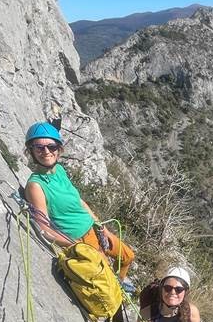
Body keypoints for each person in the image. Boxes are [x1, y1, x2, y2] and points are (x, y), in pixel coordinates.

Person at [24, 121, 135, 291]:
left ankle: (120, 280)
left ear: (58, 149)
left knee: (127, 256)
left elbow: (79, 201)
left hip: (93, 228)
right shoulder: (36, 186)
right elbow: (44, 228)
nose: (46, 151)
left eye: (51, 147)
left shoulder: (59, 170)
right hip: (79, 240)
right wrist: (75, 245)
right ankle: (116, 289)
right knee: (108, 282)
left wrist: (99, 224)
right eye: (39, 147)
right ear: (31, 150)